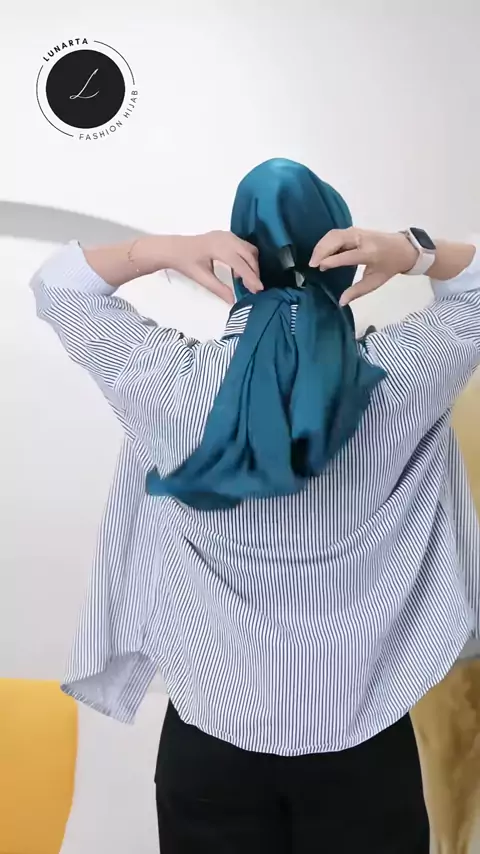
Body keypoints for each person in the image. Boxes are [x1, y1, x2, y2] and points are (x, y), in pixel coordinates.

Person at [30, 158, 480, 854]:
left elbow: (59, 285)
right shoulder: (401, 377)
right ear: (344, 258)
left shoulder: (168, 381)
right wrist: (412, 251)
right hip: (364, 746)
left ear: (238, 261)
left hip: (211, 745)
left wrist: (166, 251)